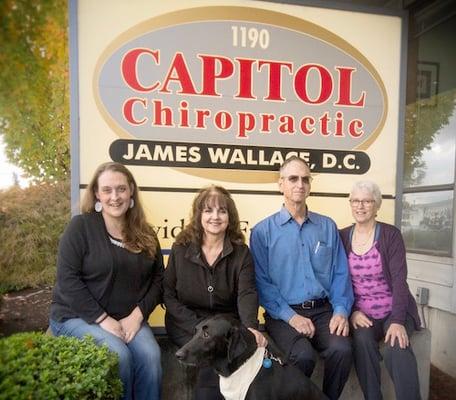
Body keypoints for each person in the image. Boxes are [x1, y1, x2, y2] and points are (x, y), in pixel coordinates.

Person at [49, 162, 163, 400]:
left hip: (129, 319)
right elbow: (67, 279)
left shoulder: (146, 233)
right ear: (97, 194)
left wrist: (137, 315)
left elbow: (159, 280)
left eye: (121, 189)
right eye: (107, 190)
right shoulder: (81, 227)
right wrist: (103, 320)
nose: (115, 197)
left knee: (151, 357)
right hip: (78, 317)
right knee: (118, 354)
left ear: (131, 190)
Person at [250, 156, 354, 400]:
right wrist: (292, 317)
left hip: (324, 311)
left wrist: (341, 310)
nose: (300, 184)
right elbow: (262, 283)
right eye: (293, 178)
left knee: (342, 349)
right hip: (283, 314)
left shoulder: (327, 226)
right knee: (303, 356)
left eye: (305, 179)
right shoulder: (263, 232)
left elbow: (340, 272)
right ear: (280, 184)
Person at [164, 185, 267, 400]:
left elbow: (246, 293)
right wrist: (199, 327)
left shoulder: (241, 253)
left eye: (222, 211)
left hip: (225, 325)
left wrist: (250, 327)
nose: (215, 217)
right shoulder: (181, 248)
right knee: (211, 358)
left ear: (230, 217)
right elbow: (168, 294)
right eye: (208, 210)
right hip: (187, 324)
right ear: (198, 215)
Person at [339, 180, 421, 400]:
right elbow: (339, 282)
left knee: (397, 345)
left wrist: (397, 320)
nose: (361, 206)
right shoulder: (342, 237)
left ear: (377, 205)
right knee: (362, 341)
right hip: (362, 314)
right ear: (350, 204)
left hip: (395, 309)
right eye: (356, 200)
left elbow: (399, 281)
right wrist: (353, 311)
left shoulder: (390, 235)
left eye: (367, 201)